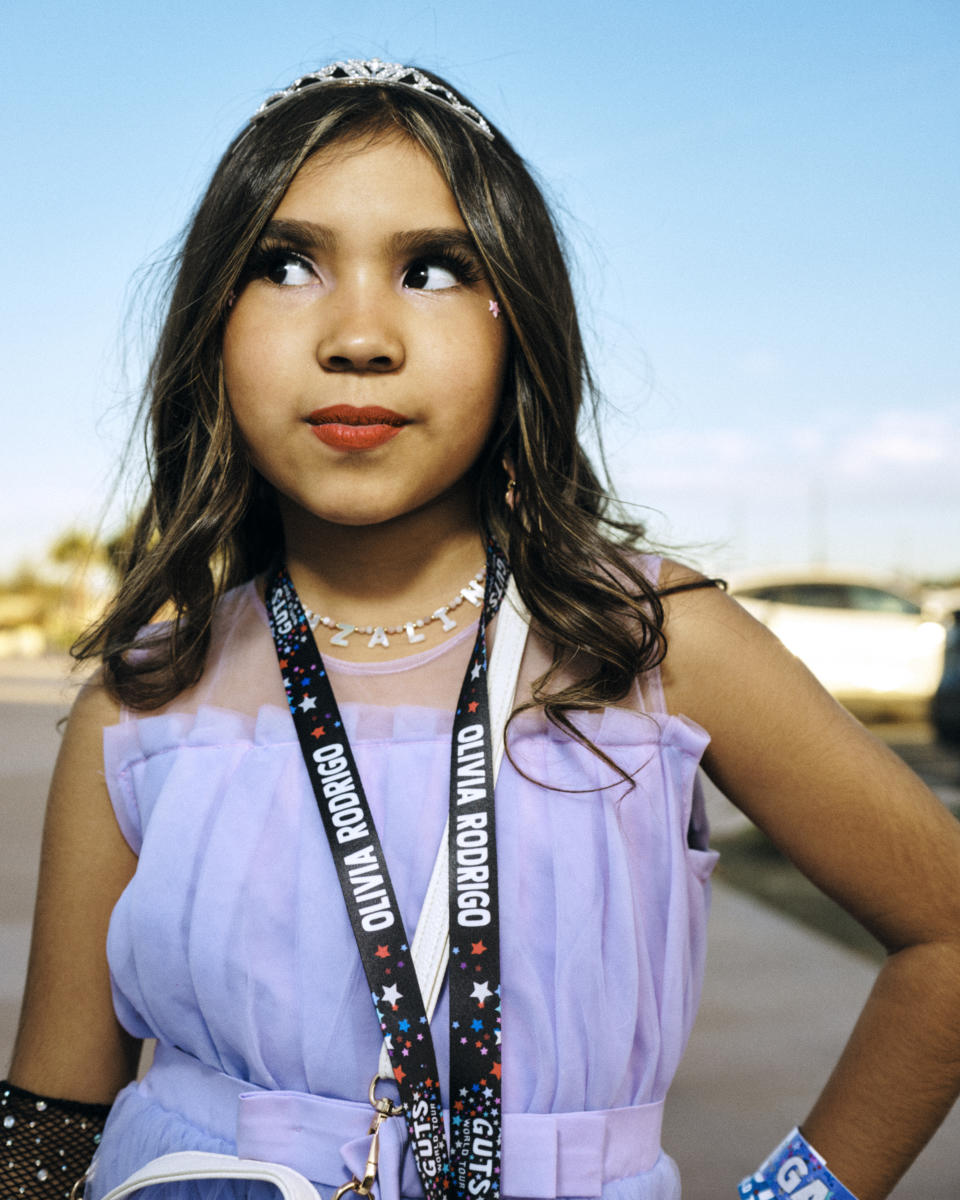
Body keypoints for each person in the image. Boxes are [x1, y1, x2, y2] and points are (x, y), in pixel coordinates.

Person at [4, 60, 960, 1200]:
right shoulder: (145, 698)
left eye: (434, 268)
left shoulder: (649, 642)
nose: (360, 335)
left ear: (522, 325)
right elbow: (53, 1118)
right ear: (213, 323)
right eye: (286, 264)